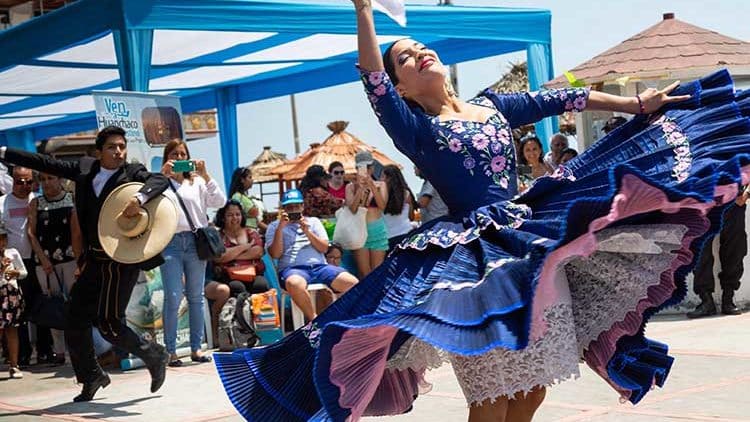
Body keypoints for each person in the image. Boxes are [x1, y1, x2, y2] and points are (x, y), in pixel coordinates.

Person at [214, 4, 750, 422]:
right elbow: (373, 85)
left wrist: (636, 107)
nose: (418, 54)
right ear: (400, 86)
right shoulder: (415, 128)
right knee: (491, 398)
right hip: (469, 268)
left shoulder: (494, 105)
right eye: (404, 58)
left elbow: (565, 101)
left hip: (526, 246)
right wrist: (364, 12)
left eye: (420, 47)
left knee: (534, 386)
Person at [0, 126, 171, 402]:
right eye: (112, 147)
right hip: (93, 260)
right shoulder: (84, 169)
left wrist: (139, 199)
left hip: (120, 261)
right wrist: (5, 152)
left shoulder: (132, 173)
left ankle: (154, 354)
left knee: (110, 326)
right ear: (98, 151)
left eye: (121, 146)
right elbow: (45, 163)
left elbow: (160, 181)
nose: (118, 151)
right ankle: (91, 376)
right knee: (74, 319)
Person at [160, 139, 226, 367]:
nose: (179, 159)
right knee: (173, 296)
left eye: (182, 154)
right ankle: (170, 351)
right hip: (170, 242)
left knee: (196, 297)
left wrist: (206, 175)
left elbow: (220, 201)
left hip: (195, 240)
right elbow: (147, 202)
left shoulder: (196, 182)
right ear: (167, 157)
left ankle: (197, 348)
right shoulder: (161, 182)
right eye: (174, 154)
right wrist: (162, 176)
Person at [266, 189, 358, 321]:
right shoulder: (274, 227)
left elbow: (324, 248)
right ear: (283, 209)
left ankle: (343, 319)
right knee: (294, 283)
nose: (293, 210)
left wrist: (307, 231)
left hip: (319, 267)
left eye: (296, 206)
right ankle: (314, 321)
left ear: (302, 206)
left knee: (352, 282)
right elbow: (275, 254)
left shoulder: (313, 222)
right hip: (292, 270)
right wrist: (281, 228)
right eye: (289, 207)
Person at [27, 172, 82, 366]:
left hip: (71, 260)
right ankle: (59, 352)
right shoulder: (36, 203)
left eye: (50, 178)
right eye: (42, 179)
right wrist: (43, 259)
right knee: (54, 307)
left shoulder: (72, 199)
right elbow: (30, 233)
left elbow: (78, 231)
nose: (47, 183)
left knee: (75, 306)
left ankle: (78, 348)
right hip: (45, 265)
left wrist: (80, 261)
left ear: (59, 179)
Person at [0, 166, 49, 367]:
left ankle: (46, 350)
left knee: (42, 307)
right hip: (11, 266)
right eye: (19, 181)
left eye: (28, 181)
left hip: (36, 262)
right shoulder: (2, 203)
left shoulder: (38, 200)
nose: (24, 186)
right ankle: (21, 355)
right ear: (13, 180)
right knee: (15, 313)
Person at [687, 186, 748, 318]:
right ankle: (706, 301)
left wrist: (747, 193)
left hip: (734, 201)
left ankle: (728, 298)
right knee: (700, 251)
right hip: (703, 201)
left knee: (735, 250)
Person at [346, 151, 389, 278]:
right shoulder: (350, 187)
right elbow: (353, 209)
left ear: (372, 168)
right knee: (364, 273)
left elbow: (382, 206)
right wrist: (361, 189)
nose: (366, 171)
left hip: (377, 230)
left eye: (368, 167)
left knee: (377, 272)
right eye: (361, 168)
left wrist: (372, 186)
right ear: (356, 169)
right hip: (359, 232)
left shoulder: (381, 185)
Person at [214, 200, 269, 297]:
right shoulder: (218, 236)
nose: (234, 218)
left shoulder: (251, 232)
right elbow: (220, 257)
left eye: (237, 214)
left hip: (253, 273)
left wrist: (231, 255)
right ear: (223, 217)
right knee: (237, 287)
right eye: (230, 215)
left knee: (261, 285)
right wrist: (245, 247)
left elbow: (258, 252)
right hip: (229, 276)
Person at [0, 222, 27, 379]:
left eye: (4, 239)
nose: (2, 242)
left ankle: (14, 365)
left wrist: (16, 273)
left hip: (11, 294)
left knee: (12, 329)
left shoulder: (13, 253)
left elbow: (24, 272)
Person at [381, 165, 416, 248]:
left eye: (382, 176)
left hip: (388, 237)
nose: (380, 179)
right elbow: (411, 217)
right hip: (406, 234)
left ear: (388, 178)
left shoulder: (381, 195)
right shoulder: (406, 193)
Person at [228, 166, 267, 233]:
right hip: (244, 234)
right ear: (242, 180)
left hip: (252, 232)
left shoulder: (245, 198)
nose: (252, 180)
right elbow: (235, 218)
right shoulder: (237, 197)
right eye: (250, 177)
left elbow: (256, 221)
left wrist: (271, 229)